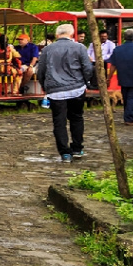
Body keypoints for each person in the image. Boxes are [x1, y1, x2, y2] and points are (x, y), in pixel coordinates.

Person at [36, 23, 93, 162]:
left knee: (59, 121)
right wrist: (87, 82)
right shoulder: (80, 47)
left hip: (55, 91)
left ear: (57, 35)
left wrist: (45, 86)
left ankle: (65, 153)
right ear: (72, 34)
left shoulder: (47, 49)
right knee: (77, 118)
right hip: (76, 89)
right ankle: (77, 148)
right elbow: (87, 67)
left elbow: (40, 70)